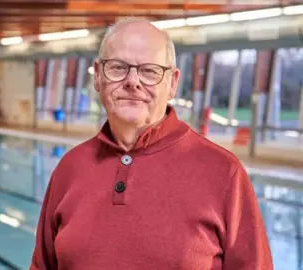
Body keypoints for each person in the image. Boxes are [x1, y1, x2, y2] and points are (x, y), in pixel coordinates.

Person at [30, 17, 273, 270]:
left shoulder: (224, 173)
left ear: (173, 83)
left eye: (149, 71)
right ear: (98, 76)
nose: (133, 81)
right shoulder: (70, 168)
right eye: (117, 67)